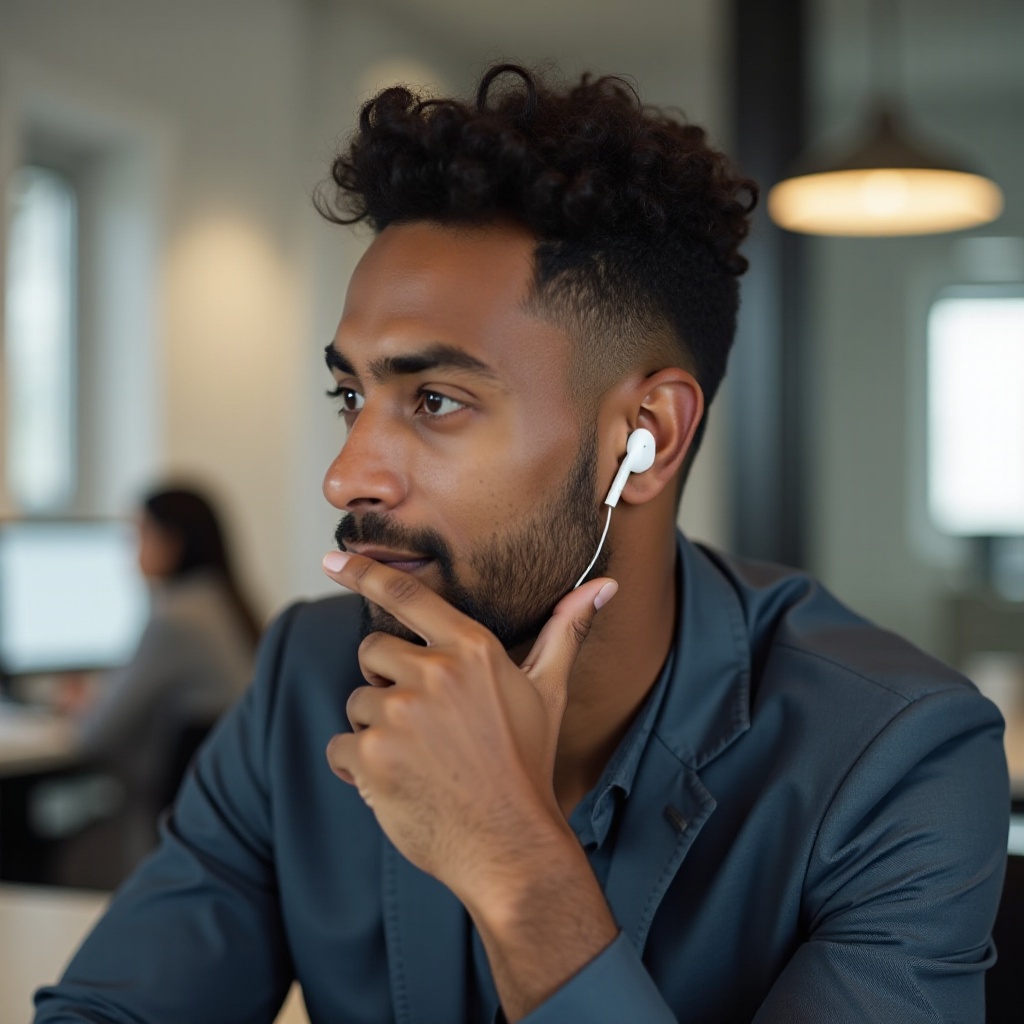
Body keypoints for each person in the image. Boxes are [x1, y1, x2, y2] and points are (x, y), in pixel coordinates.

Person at [35, 64, 1008, 1023]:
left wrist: (514, 862)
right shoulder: (307, 678)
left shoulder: (898, 759)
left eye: (435, 400)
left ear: (645, 438)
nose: (346, 476)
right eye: (350, 397)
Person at [58, 485, 261, 882]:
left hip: (175, 821)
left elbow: (97, 735)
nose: (132, 551)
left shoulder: (176, 620)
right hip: (224, 816)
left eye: (139, 534)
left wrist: (80, 706)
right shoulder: (221, 602)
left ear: (171, 543)